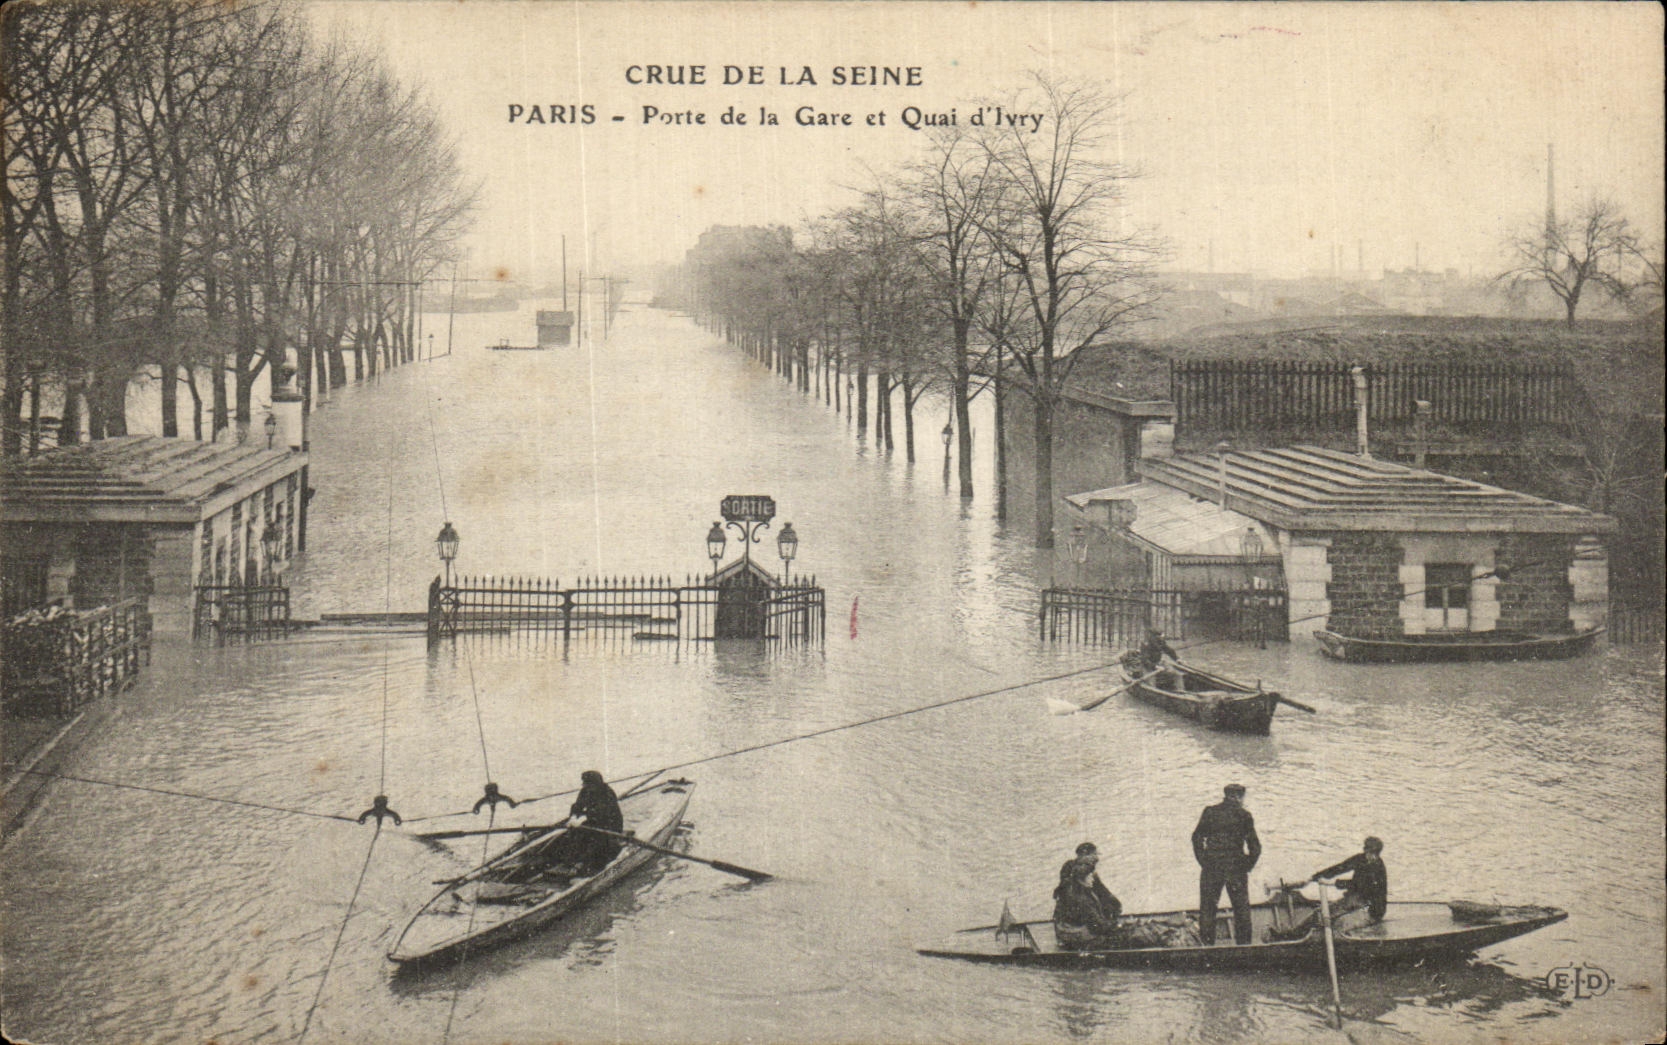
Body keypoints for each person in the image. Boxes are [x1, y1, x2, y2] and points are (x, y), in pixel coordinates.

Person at [1191, 783, 1261, 945]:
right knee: (1241, 910)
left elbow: (1197, 838)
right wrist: (1247, 865)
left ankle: (1207, 947)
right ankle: (1244, 947)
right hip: (1236, 868)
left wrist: (1204, 861)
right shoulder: (1244, 815)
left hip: (1212, 867)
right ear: (1238, 797)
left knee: (1208, 909)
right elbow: (1255, 847)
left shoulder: (1210, 812)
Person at [1311, 836, 1388, 922]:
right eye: (1371, 853)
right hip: (1356, 899)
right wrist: (1316, 876)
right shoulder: (1360, 859)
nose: (1373, 857)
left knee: (1340, 922)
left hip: (1372, 909)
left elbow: (1357, 884)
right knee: (1320, 913)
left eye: (1376, 854)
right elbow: (1340, 867)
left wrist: (1330, 883)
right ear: (1365, 850)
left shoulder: (1378, 868)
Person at [1052, 855, 1122, 950]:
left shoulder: (1080, 892)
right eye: (1090, 876)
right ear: (1082, 878)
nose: (1093, 879)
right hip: (1082, 937)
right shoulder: (1082, 898)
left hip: (1074, 933)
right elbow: (1098, 926)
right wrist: (1117, 926)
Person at [565, 770, 625, 874]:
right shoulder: (585, 791)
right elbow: (577, 806)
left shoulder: (607, 793)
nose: (584, 785)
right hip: (593, 822)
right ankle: (575, 860)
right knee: (574, 834)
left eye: (587, 783)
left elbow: (602, 813)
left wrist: (583, 819)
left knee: (599, 842)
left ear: (595, 784)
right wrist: (573, 817)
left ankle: (589, 865)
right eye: (584, 783)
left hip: (610, 825)